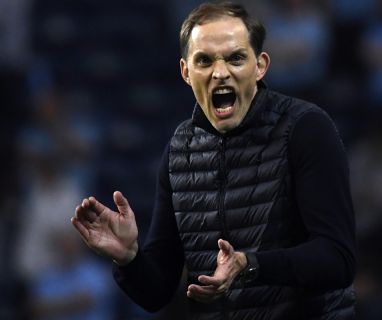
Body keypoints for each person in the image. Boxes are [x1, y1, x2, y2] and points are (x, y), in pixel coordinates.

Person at [71, 2, 356, 319]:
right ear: (186, 72)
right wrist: (129, 258)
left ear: (260, 66)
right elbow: (156, 293)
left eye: (235, 58)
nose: (221, 73)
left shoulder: (306, 129)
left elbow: (337, 260)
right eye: (204, 61)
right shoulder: (179, 151)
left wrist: (248, 265)